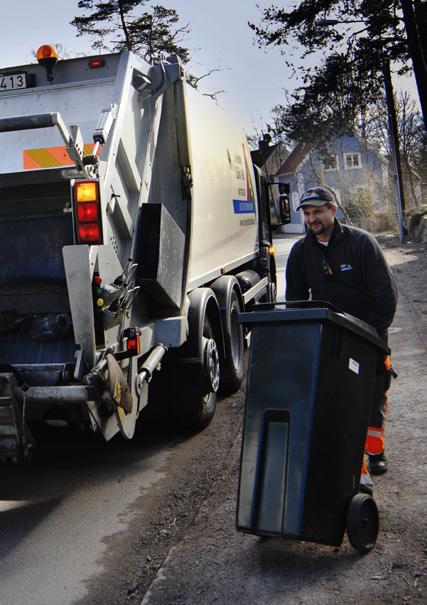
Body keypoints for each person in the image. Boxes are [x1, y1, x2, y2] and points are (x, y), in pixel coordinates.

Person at [286, 186, 398, 492]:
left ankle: (375, 451)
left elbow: (385, 294)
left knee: (372, 398)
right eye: (307, 214)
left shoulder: (361, 243)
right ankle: (351, 466)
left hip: (369, 335)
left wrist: (374, 335)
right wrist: (304, 338)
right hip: (331, 338)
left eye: (318, 212)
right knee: (338, 400)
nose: (312, 219)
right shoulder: (300, 252)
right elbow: (296, 300)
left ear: (333, 210)